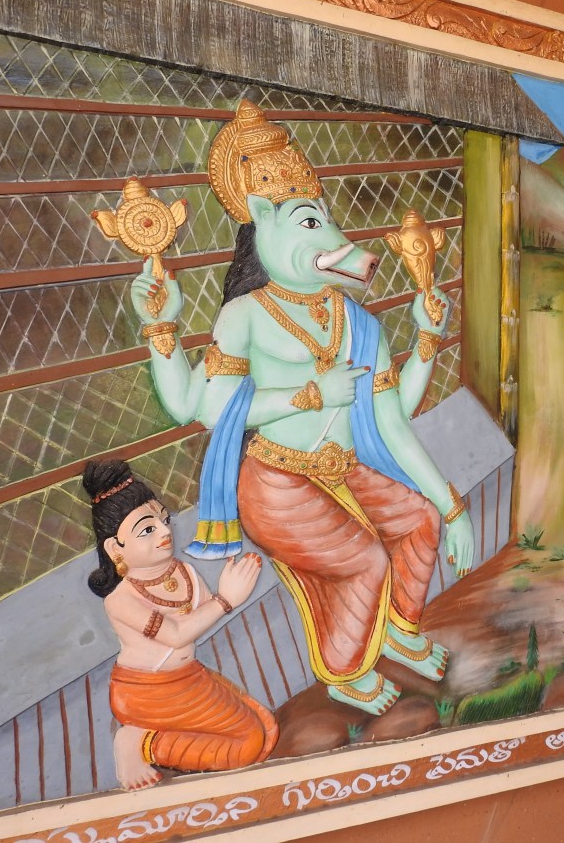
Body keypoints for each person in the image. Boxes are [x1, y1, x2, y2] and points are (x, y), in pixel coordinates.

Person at [127, 101, 472, 716]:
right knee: (366, 559)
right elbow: (207, 411)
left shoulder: (357, 321)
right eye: (310, 222)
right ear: (264, 221)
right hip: (277, 480)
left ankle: (397, 629)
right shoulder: (246, 316)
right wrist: (164, 328)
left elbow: (392, 418)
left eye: (325, 219)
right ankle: (346, 671)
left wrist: (426, 341)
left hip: (344, 468)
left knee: (421, 519)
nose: (330, 236)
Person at [84, 459, 278, 791]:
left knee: (265, 727)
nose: (164, 532)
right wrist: (226, 599)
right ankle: (139, 742)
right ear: (116, 548)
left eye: (164, 520)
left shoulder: (184, 571)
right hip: (147, 693)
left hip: (189, 679)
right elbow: (176, 635)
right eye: (147, 529)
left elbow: (200, 619)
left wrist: (231, 584)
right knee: (247, 745)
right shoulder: (121, 599)